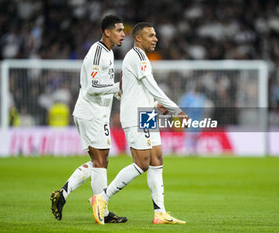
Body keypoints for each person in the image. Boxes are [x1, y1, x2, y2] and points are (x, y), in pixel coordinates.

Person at [89, 22, 188, 225]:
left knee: (156, 158)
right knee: (142, 163)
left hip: (146, 112)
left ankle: (160, 213)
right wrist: (175, 110)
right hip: (135, 115)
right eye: (150, 35)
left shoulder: (141, 58)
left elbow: (139, 89)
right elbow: (152, 86)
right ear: (138, 38)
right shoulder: (137, 56)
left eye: (155, 35)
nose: (155, 38)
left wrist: (154, 106)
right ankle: (101, 198)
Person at [50, 15, 127, 223]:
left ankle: (63, 194)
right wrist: (116, 88)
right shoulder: (97, 52)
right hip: (90, 112)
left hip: (98, 114)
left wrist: (118, 93)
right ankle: (101, 211)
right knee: (100, 162)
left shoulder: (109, 53)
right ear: (107, 32)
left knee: (99, 161)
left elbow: (103, 86)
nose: (123, 34)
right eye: (119, 30)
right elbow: (92, 87)